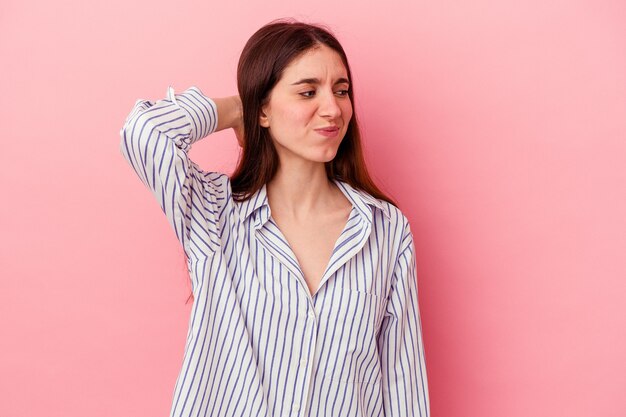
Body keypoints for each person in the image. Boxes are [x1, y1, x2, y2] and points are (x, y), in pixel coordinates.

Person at [119, 18, 430, 417]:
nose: (333, 109)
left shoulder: (384, 229)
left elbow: (402, 383)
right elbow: (144, 133)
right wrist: (236, 110)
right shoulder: (214, 214)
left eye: (342, 90)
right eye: (307, 92)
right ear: (263, 110)